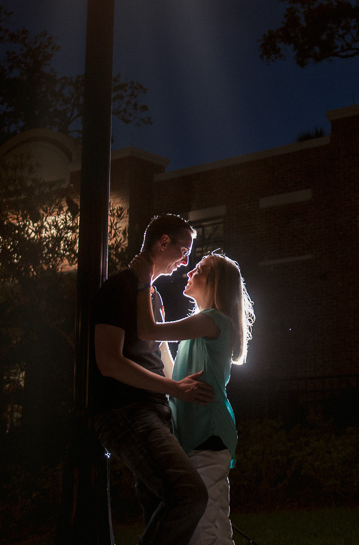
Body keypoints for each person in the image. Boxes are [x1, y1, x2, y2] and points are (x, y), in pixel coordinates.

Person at [92, 213, 213, 545]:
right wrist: (174, 388)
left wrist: (186, 392)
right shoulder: (119, 288)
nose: (187, 261)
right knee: (188, 494)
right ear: (163, 242)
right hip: (125, 412)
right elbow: (109, 363)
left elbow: (161, 357)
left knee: (161, 501)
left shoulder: (152, 296)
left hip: (155, 412)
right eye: (184, 249)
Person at [131, 250, 255, 545]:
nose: (189, 273)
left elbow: (146, 330)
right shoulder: (204, 324)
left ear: (213, 282)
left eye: (198, 269)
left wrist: (141, 284)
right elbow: (176, 379)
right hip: (197, 435)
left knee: (204, 529)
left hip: (207, 435)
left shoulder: (214, 320)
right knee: (212, 523)